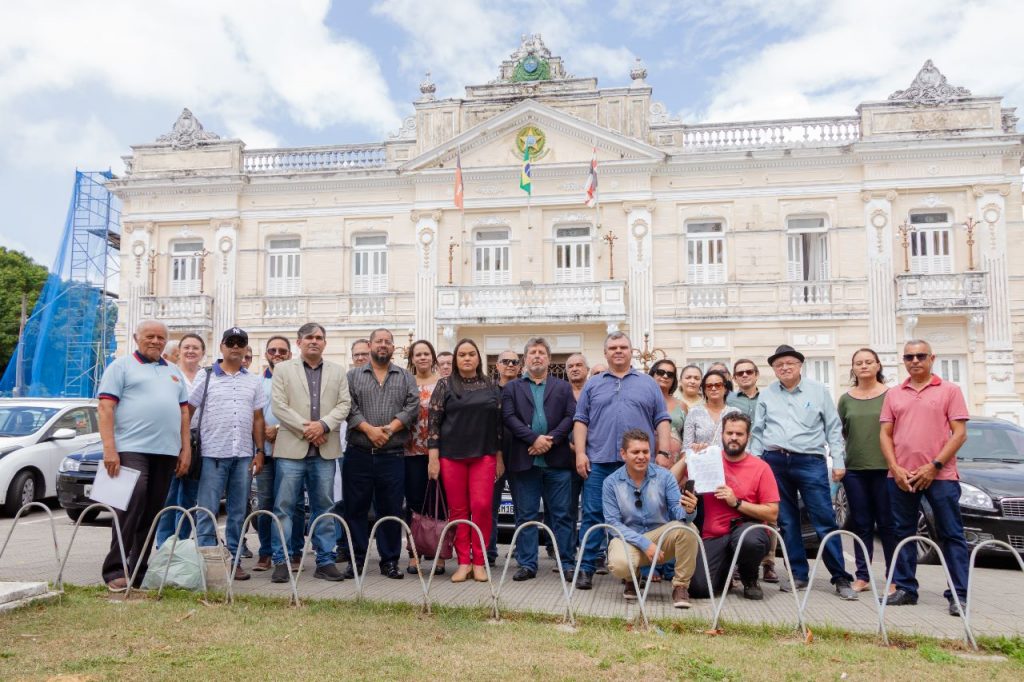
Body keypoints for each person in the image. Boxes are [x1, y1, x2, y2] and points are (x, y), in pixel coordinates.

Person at [751, 344, 856, 600]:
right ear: (774, 369)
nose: (784, 368)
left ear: (800, 365)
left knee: (823, 519)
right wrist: (755, 464)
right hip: (774, 461)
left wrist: (838, 460)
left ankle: (840, 577)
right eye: (779, 365)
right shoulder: (766, 395)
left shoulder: (818, 391)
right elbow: (758, 431)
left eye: (789, 363)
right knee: (786, 522)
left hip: (810, 461)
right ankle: (798, 574)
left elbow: (833, 428)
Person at [572, 331, 672, 590]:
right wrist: (581, 453)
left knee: (643, 516)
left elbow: (661, 419)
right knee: (593, 515)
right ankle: (586, 568)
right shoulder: (593, 384)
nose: (618, 351)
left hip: (639, 465)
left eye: (623, 347)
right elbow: (581, 420)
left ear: (631, 351)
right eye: (613, 347)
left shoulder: (647, 383)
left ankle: (641, 571)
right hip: (599, 461)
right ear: (605, 353)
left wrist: (662, 453)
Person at [96, 320, 191, 591]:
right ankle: (115, 568)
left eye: (161, 337)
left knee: (152, 511)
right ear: (137, 337)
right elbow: (105, 408)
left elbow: (183, 412)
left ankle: (138, 569)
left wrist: (186, 449)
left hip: (166, 451)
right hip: (130, 448)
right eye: (150, 336)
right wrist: (109, 448)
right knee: (131, 501)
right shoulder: (121, 367)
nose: (156, 341)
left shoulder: (173, 371)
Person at [880, 340, 970, 616]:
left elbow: (960, 433)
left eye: (920, 356)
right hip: (901, 476)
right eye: (909, 356)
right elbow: (885, 434)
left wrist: (934, 465)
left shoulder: (950, 391)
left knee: (951, 534)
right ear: (904, 360)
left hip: (940, 475)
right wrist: (894, 468)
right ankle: (906, 588)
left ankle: (958, 595)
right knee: (902, 532)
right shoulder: (894, 393)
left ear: (932, 358)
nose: (915, 360)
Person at [270, 322, 351, 583]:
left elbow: (344, 404)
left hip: (325, 451)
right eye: (309, 337)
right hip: (291, 449)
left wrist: (324, 425)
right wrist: (309, 429)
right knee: (284, 507)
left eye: (319, 337)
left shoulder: (338, 372)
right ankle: (282, 559)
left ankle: (325, 561)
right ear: (299, 342)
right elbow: (279, 406)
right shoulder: (282, 369)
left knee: (324, 507)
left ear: (325, 343)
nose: (314, 341)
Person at [343, 328, 419, 580]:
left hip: (392, 455)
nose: (383, 345)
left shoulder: (405, 376)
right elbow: (348, 407)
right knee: (356, 508)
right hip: (359, 453)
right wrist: (369, 430)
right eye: (379, 341)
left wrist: (389, 429)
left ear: (393, 346)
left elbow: (412, 407)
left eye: (388, 342)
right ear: (370, 344)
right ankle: (358, 559)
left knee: (391, 509)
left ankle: (389, 561)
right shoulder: (353, 376)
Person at [191, 327, 265, 580]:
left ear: (245, 348)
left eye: (240, 343)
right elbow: (188, 410)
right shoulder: (207, 376)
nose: (235, 347)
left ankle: (233, 559)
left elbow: (258, 419)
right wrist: (184, 445)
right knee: (208, 510)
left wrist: (260, 451)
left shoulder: (253, 380)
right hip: (212, 454)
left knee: (237, 512)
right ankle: (206, 560)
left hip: (243, 455)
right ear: (221, 346)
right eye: (230, 342)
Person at [428, 338, 503, 583]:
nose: (467, 358)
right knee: (458, 510)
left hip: (484, 454)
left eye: (472, 354)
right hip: (452, 457)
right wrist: (434, 458)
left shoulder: (491, 385)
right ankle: (463, 562)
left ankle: (479, 561)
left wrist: (500, 456)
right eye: (462, 355)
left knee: (481, 506)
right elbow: (434, 423)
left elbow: (499, 425)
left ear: (479, 358)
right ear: (456, 359)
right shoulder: (444, 385)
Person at [502, 337, 577, 582]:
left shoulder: (563, 387)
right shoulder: (513, 387)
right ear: (525, 359)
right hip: (525, 462)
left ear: (549, 359)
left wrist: (551, 440)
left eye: (541, 352)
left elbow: (570, 417)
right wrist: (534, 439)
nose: (537, 356)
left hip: (557, 462)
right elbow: (509, 418)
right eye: (532, 352)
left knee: (563, 514)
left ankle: (567, 562)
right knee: (526, 515)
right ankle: (526, 564)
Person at [685, 413, 779, 601]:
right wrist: (690, 455)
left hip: (747, 529)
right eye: (729, 433)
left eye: (739, 434)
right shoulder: (708, 459)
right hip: (715, 534)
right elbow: (673, 479)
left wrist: (737, 503)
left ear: (748, 437)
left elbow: (772, 512)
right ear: (722, 434)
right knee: (699, 589)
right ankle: (725, 573)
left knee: (749, 541)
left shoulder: (761, 467)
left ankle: (749, 577)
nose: (733, 437)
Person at [604, 429, 698, 606]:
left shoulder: (665, 477)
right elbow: (613, 523)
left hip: (661, 537)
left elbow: (677, 513)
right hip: (628, 538)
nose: (641, 456)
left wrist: (688, 510)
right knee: (619, 564)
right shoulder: (611, 482)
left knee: (688, 529)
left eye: (645, 452)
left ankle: (680, 587)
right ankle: (632, 578)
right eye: (635, 452)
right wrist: (645, 544)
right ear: (623, 454)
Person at [838, 348, 896, 594]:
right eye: (858, 363)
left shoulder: (892, 395)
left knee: (887, 524)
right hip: (855, 470)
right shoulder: (846, 399)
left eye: (868, 362)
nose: (863, 366)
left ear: (878, 365)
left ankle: (894, 577)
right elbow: (842, 432)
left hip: (886, 469)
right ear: (853, 368)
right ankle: (862, 575)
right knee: (861, 524)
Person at [252, 336, 306, 572]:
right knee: (265, 502)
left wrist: (280, 429)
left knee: (293, 504)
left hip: (292, 450)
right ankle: (265, 552)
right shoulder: (257, 383)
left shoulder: (298, 381)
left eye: (282, 350)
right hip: (264, 452)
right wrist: (263, 438)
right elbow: (253, 416)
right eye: (272, 350)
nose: (277, 354)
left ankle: (293, 552)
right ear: (266, 354)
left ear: (290, 354)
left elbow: (304, 412)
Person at [725, 357, 777, 583]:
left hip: (765, 457)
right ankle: (741, 562)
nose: (745, 375)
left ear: (756, 374)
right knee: (733, 512)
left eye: (749, 372)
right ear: (735, 378)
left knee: (769, 513)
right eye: (740, 373)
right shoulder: (729, 399)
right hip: (736, 459)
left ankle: (768, 563)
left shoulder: (768, 397)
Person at [155, 333, 206, 548]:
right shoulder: (169, 374)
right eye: (186, 347)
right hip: (172, 440)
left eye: (196, 347)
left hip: (198, 441)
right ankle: (163, 546)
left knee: (189, 498)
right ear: (179, 352)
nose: (191, 351)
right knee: (169, 496)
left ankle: (182, 545)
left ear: (203, 352)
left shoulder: (207, 375)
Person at [404, 339, 445, 575]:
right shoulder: (406, 383)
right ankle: (414, 553)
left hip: (437, 451)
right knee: (414, 504)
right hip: (410, 451)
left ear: (433, 357)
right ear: (412, 359)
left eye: (426, 354)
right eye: (417, 354)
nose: (422, 358)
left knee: (438, 503)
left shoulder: (443, 383)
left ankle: (439, 554)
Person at [488, 349, 521, 565]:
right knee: (489, 506)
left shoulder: (525, 389)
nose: (510, 364)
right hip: (492, 456)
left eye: (515, 361)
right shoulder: (488, 391)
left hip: (520, 455)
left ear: (520, 366)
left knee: (523, 507)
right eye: (505, 361)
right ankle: (488, 552)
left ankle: (523, 552)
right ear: (497, 366)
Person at [682, 370, 740, 453]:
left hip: (730, 463)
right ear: (704, 390)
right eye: (709, 386)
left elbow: (742, 443)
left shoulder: (735, 413)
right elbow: (686, 447)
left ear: (725, 389)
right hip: (701, 462)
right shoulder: (694, 412)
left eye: (718, 385)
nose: (713, 388)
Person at [649, 359, 685, 461]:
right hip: (648, 459)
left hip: (675, 463)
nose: (665, 376)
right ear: (652, 374)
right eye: (660, 372)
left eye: (670, 374)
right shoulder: (643, 402)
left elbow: (687, 438)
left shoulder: (682, 405)